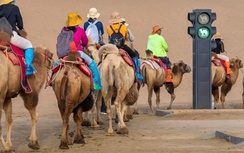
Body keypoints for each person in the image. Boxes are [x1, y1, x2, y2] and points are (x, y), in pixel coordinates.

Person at [58, 12, 102, 93]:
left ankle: (51, 80)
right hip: (78, 52)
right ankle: (96, 85)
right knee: (92, 64)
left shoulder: (63, 30)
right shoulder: (80, 30)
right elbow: (85, 43)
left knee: (56, 65)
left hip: (64, 53)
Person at [0, 0, 36, 76]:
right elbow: (20, 23)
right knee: (28, 45)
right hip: (9, 34)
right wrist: (21, 27)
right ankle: (28, 67)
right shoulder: (15, 8)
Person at [107, 12, 143, 80]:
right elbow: (126, 38)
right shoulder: (123, 27)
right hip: (123, 46)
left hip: (112, 48)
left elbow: (109, 38)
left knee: (103, 58)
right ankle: (137, 73)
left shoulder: (108, 28)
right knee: (134, 55)